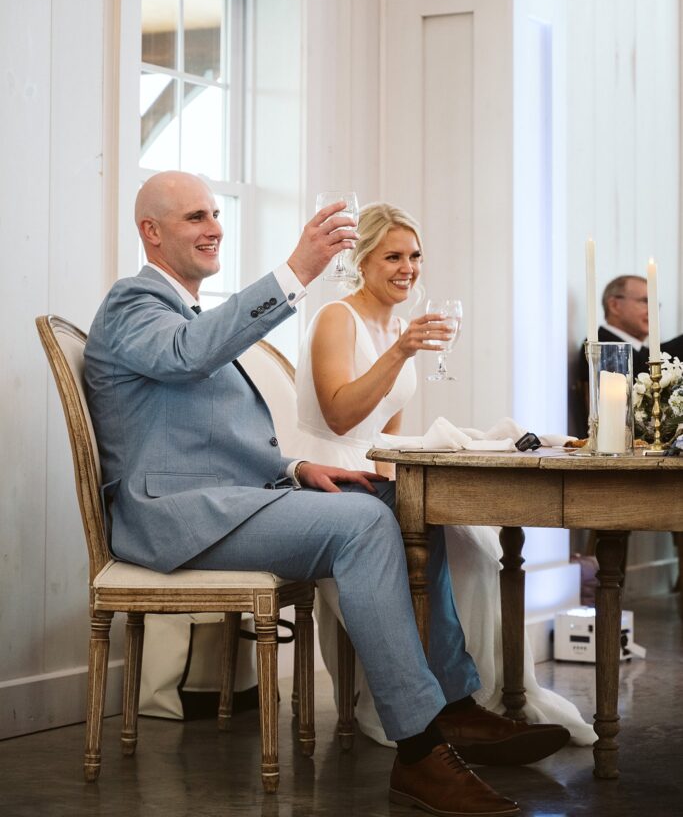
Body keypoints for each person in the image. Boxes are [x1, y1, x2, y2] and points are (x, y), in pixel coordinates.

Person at [84, 171, 570, 817]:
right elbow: (186, 356)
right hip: (174, 517)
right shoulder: (132, 305)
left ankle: (451, 707)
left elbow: (203, 427)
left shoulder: (183, 314)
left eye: (215, 214)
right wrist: (294, 272)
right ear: (151, 232)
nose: (214, 227)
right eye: (195, 217)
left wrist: (296, 468)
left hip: (229, 501)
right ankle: (421, 750)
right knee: (360, 525)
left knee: (397, 505)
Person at [293, 202, 596, 748]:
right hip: (332, 486)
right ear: (362, 261)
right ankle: (443, 713)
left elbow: (385, 439)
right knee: (440, 556)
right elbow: (342, 416)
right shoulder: (337, 318)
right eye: (392, 256)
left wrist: (409, 487)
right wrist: (403, 350)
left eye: (415, 255)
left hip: (378, 480)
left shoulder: (394, 326)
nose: (408, 267)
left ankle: (484, 702)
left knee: (477, 556)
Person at [573, 274, 683, 432]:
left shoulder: (641, 351)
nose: (652, 311)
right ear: (614, 305)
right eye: (645, 301)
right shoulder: (603, 346)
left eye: (655, 304)